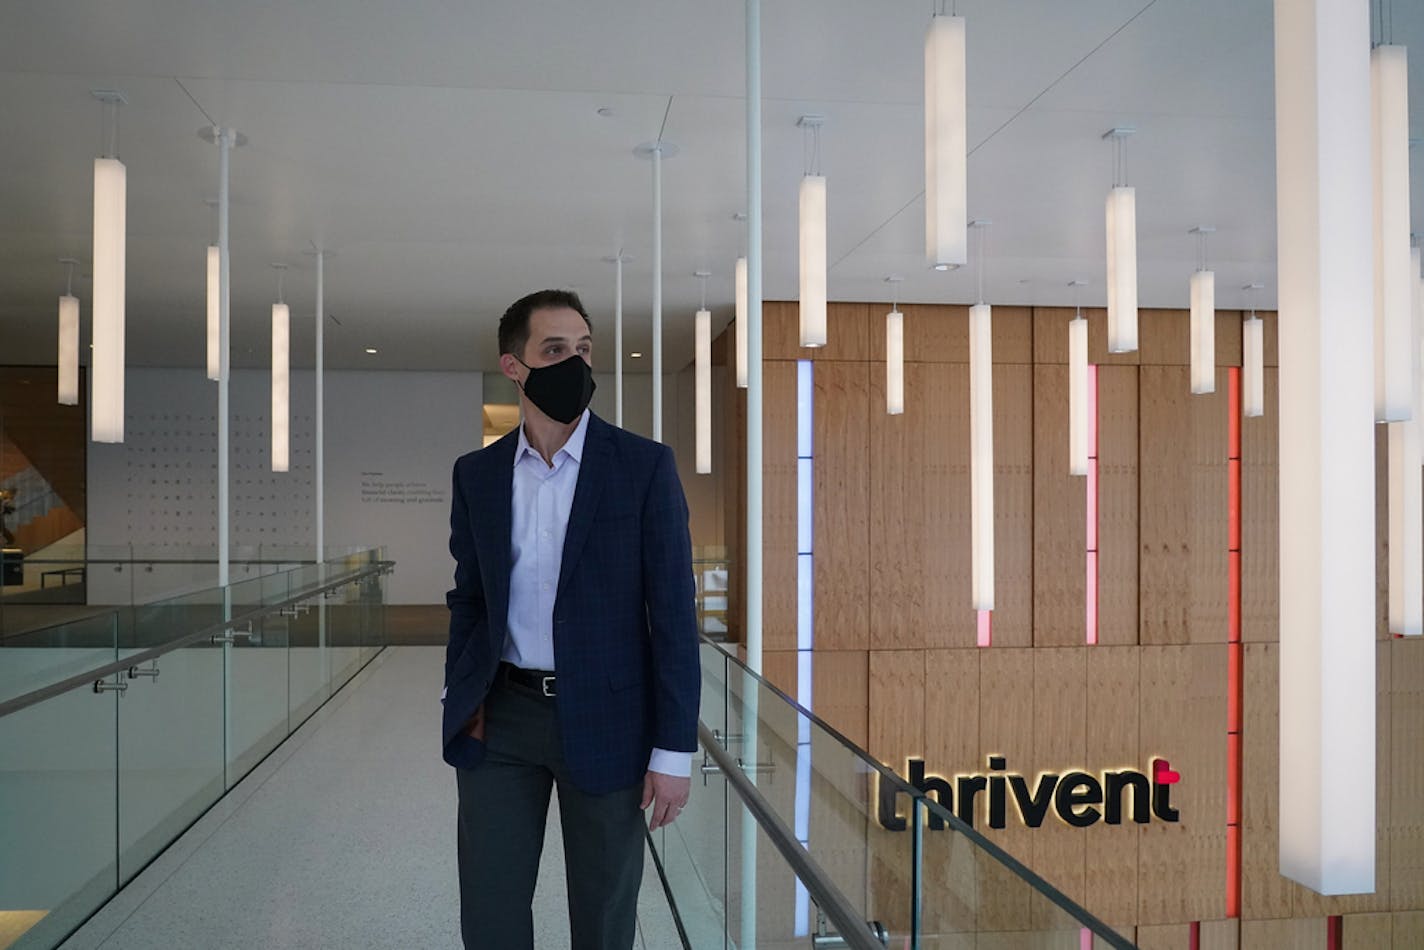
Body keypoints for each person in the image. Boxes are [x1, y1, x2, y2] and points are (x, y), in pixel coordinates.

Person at [442, 289, 701, 949]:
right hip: (501, 716)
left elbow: (673, 615)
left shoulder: (643, 468)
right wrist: (459, 691)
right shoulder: (478, 474)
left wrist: (674, 749)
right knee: (492, 908)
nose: (575, 364)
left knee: (606, 912)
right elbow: (469, 597)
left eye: (583, 350)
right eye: (554, 350)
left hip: (611, 718)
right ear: (514, 365)